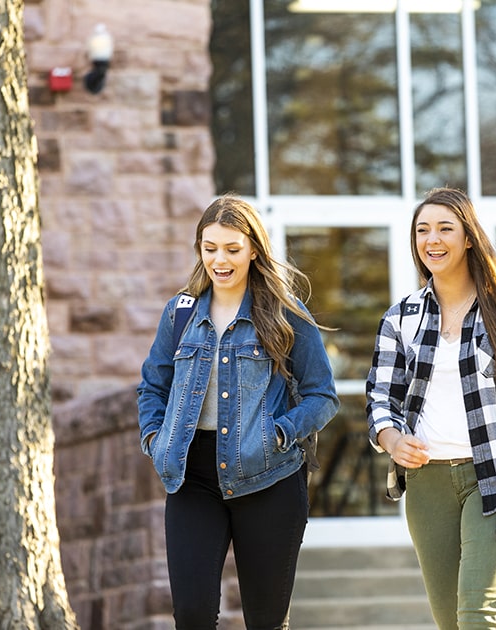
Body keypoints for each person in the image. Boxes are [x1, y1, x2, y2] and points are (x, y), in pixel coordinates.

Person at [137, 194, 340, 629]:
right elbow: (153, 386)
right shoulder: (180, 313)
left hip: (269, 478)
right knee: (191, 614)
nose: (220, 260)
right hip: (192, 479)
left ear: (253, 248)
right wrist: (155, 440)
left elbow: (322, 394)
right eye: (209, 248)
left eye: (231, 249)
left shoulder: (284, 313)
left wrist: (280, 434)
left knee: (265, 620)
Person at [366, 187, 496, 629]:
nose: (432, 239)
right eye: (422, 230)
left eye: (445, 228)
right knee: (450, 622)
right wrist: (393, 440)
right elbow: (380, 397)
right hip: (428, 482)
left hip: (495, 478)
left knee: (477, 616)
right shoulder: (401, 318)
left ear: (468, 237)